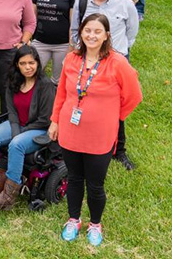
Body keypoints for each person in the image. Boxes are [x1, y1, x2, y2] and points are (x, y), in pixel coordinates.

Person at [49, 14, 142, 246]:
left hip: (100, 136)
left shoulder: (117, 62)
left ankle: (95, 223)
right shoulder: (71, 59)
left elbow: (134, 95)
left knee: (95, 184)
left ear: (106, 35)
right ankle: (73, 220)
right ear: (81, 32)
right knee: (74, 178)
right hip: (70, 131)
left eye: (97, 31)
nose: (91, 35)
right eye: (87, 30)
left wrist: (114, 117)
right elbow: (62, 92)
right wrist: (55, 120)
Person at [70, 0, 139, 170]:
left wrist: (117, 54)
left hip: (115, 64)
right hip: (88, 62)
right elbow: (75, 32)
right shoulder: (81, 3)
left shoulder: (125, 4)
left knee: (115, 108)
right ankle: (86, 143)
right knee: (87, 103)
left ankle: (119, 151)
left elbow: (131, 33)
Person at [0, 45, 55, 209]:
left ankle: (8, 195)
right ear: (17, 65)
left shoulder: (45, 85)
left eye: (31, 62)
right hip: (18, 124)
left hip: (39, 129)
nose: (28, 67)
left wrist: (19, 134)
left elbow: (45, 120)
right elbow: (12, 112)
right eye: (23, 63)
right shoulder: (13, 82)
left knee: (17, 144)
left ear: (37, 63)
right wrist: (16, 130)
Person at [32, 0, 79, 83]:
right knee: (33, 76)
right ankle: (37, 102)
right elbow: (32, 16)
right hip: (40, 41)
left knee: (58, 80)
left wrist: (71, 45)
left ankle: (55, 103)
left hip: (62, 44)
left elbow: (73, 22)